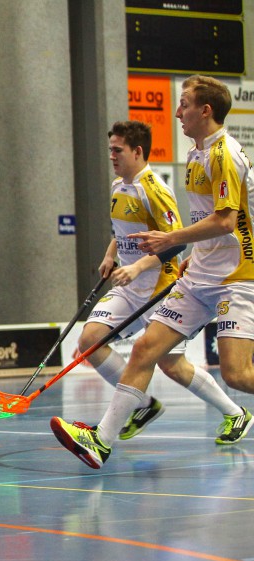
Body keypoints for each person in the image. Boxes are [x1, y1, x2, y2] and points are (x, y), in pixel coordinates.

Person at [52, 75, 254, 468]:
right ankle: (100, 442)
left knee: (236, 374)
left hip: (236, 278)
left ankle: (234, 411)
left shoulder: (223, 154)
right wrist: (197, 252)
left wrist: (171, 240)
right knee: (146, 349)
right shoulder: (195, 154)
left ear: (205, 111)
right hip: (199, 276)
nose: (177, 112)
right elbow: (208, 220)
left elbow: (226, 221)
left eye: (184, 104)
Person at [73, 120, 243, 443]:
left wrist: (138, 267)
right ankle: (144, 404)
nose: (112, 156)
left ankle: (235, 412)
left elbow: (175, 243)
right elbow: (122, 231)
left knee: (171, 364)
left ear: (137, 151)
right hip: (128, 285)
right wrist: (110, 254)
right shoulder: (117, 186)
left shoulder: (155, 190)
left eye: (118, 150)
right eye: (110, 149)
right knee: (89, 340)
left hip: (158, 286)